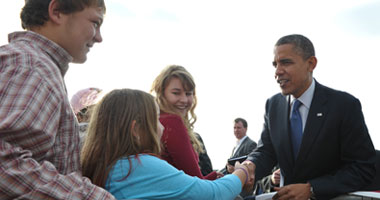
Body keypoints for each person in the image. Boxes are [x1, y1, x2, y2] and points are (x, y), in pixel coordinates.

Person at [0, 0, 114, 199]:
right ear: (57, 11)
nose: (99, 37)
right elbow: (5, 163)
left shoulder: (28, 63)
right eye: (95, 23)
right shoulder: (34, 67)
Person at [243, 34, 376, 200]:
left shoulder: (344, 105)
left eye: (286, 62)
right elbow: (266, 151)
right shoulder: (273, 105)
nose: (278, 71)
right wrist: (249, 166)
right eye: (275, 64)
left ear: (311, 64)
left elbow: (363, 167)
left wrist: (312, 188)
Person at [80, 88, 253, 199]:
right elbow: (214, 194)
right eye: (156, 119)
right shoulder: (139, 166)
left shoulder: (107, 166)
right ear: (136, 129)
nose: (162, 127)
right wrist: (242, 171)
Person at [151, 65, 220, 180]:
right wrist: (236, 174)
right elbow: (196, 183)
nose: (184, 100)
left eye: (188, 94)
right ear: (162, 94)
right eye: (176, 93)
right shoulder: (172, 122)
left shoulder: (154, 122)